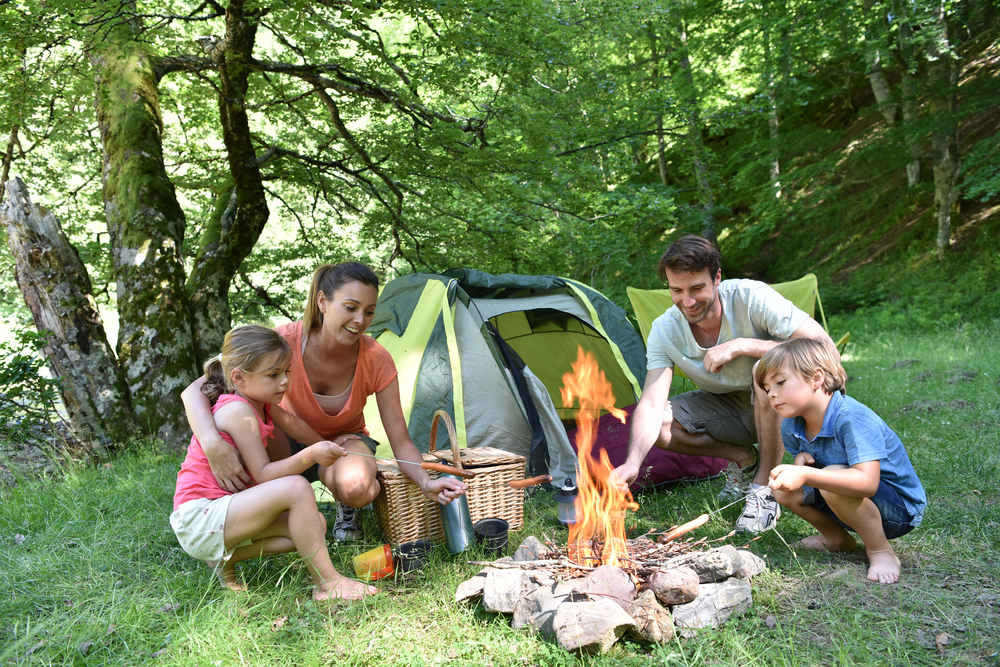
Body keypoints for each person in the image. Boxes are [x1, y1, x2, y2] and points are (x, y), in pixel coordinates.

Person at [181, 262, 466, 542]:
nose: (360, 321)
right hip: (283, 437)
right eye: (351, 307)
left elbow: (402, 442)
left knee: (357, 487)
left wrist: (426, 482)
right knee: (246, 430)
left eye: (369, 312)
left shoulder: (377, 359)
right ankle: (266, 515)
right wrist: (212, 443)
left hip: (343, 441)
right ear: (322, 302)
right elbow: (195, 389)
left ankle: (349, 503)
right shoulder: (281, 342)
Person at [610, 235, 834, 533]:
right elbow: (651, 402)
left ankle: (763, 489)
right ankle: (744, 459)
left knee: (763, 369)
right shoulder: (665, 330)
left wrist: (743, 345)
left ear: (717, 278)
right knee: (661, 423)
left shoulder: (750, 296)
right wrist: (633, 461)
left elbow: (824, 346)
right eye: (676, 290)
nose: (687, 301)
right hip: (732, 407)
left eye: (697, 288)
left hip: (793, 409)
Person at [170, 325, 378, 599]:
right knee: (296, 487)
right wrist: (311, 456)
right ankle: (328, 583)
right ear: (239, 378)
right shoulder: (238, 411)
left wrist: (324, 443)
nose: (284, 382)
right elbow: (265, 474)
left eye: (286, 372)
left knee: (313, 525)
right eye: (273, 375)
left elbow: (294, 425)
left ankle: (225, 559)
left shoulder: (258, 402)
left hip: (222, 514)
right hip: (199, 519)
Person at [755, 338, 926, 584]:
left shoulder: (852, 418)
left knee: (831, 481)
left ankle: (880, 550)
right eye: (767, 387)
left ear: (816, 378)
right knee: (783, 492)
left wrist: (806, 475)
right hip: (847, 502)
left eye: (780, 382)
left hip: (898, 509)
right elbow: (814, 471)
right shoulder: (791, 425)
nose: (772, 393)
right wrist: (801, 463)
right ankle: (838, 539)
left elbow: (867, 483)